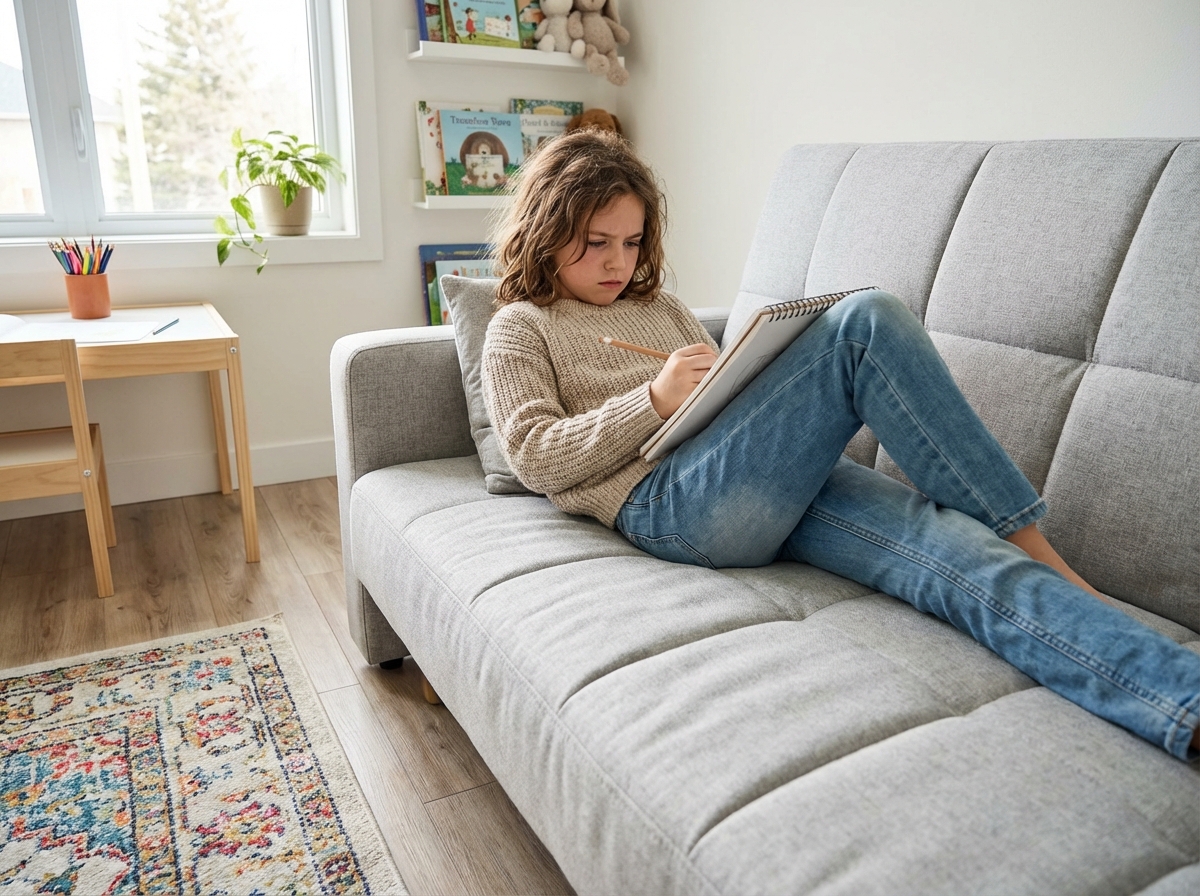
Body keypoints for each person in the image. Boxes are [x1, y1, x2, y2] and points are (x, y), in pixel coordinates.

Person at [481, 129, 1200, 761]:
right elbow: (535, 456)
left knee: (949, 551)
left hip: (755, 481)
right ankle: (1036, 541)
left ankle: (1176, 699)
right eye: (597, 243)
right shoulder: (520, 325)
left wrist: (738, 379)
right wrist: (653, 399)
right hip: (669, 504)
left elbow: (729, 404)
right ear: (546, 231)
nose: (617, 261)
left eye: (632, 242)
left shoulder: (661, 307)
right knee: (866, 321)